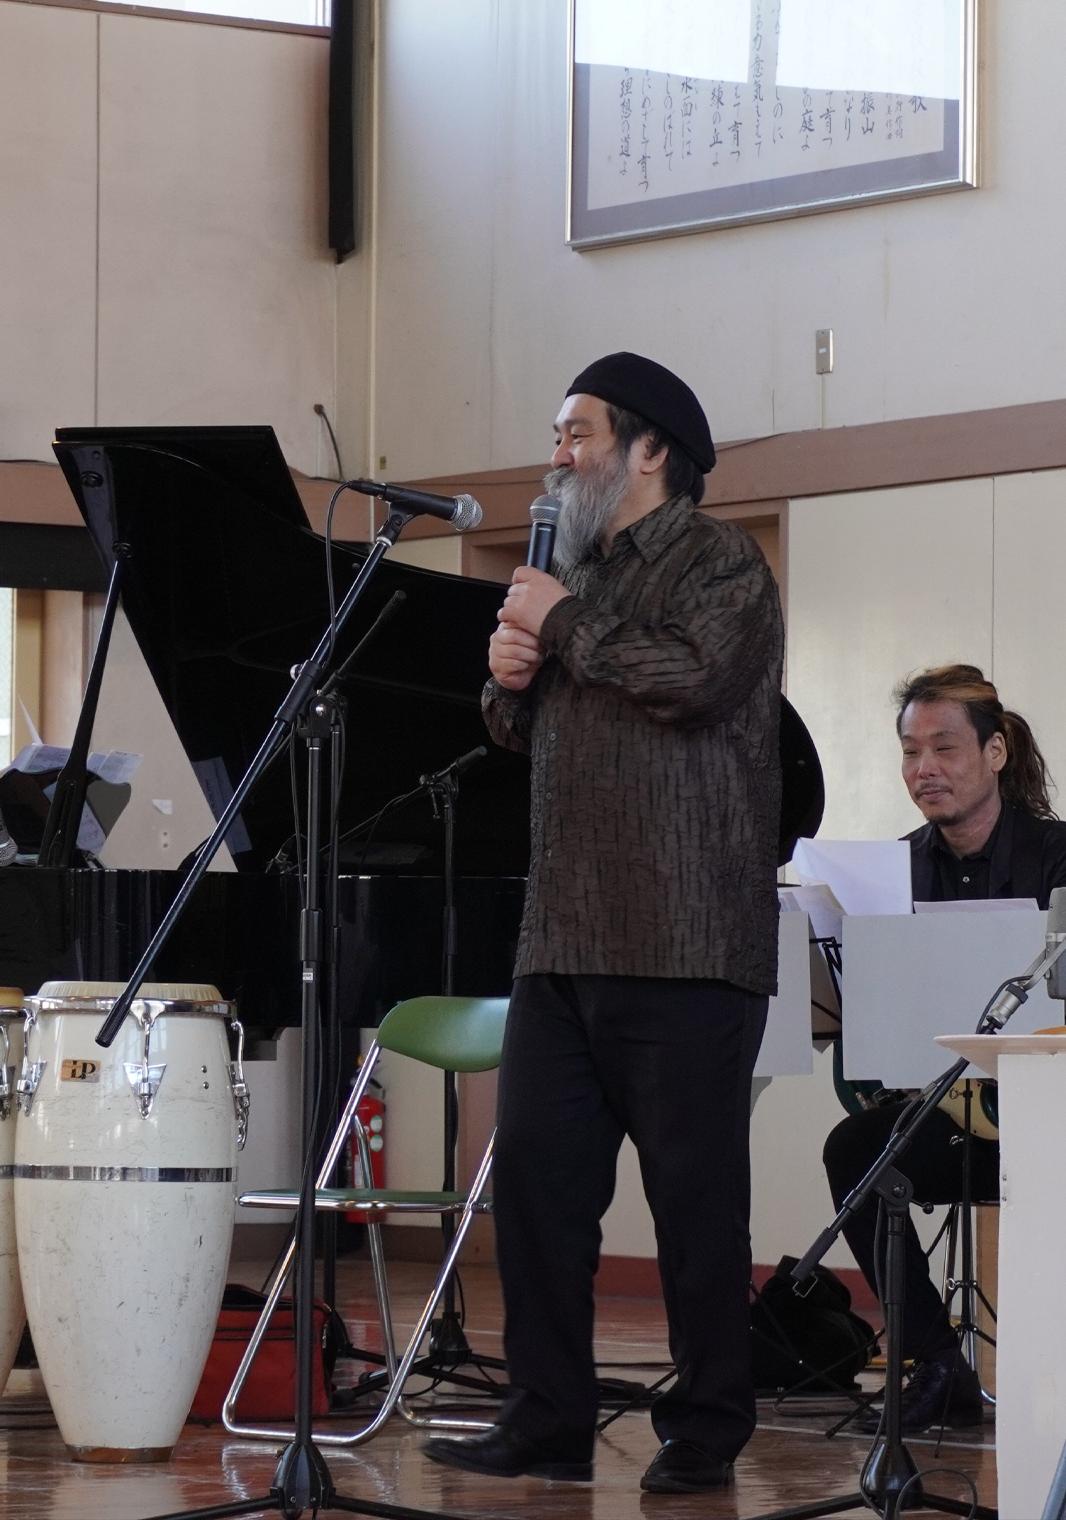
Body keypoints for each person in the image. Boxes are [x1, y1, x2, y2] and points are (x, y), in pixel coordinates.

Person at [422, 353, 782, 1496]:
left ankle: (706, 1427)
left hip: (684, 937)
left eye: (576, 432)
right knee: (535, 1190)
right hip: (561, 936)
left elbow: (692, 678)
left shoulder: (719, 560)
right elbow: (518, 729)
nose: (556, 453)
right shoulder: (565, 570)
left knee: (693, 1204)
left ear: (650, 449)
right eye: (556, 432)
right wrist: (505, 673)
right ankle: (545, 1417)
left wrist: (561, 621)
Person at [820, 665, 1066, 1430]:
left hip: (1053, 1110)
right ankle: (938, 1361)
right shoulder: (894, 869)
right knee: (854, 1150)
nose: (925, 768)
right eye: (910, 751)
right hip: (950, 1110)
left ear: (995, 752)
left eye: (944, 748)